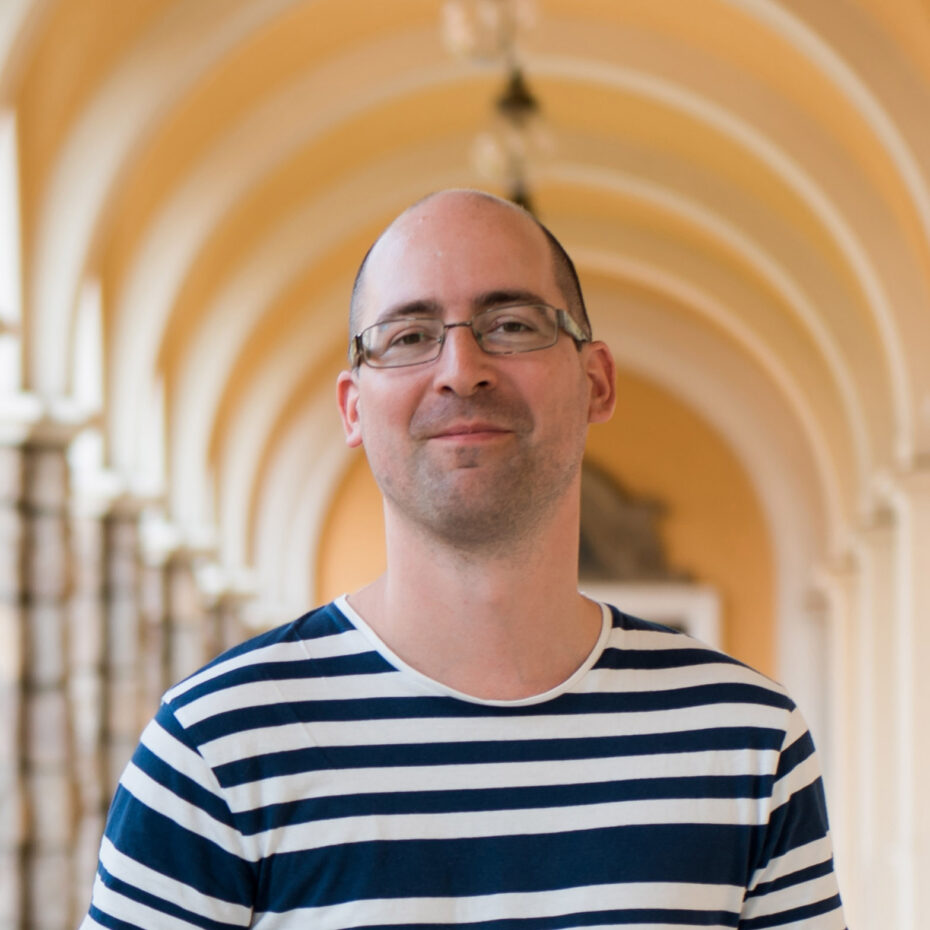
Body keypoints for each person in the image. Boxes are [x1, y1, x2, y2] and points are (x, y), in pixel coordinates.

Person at [81, 190, 846, 929]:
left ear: (596, 382)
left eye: (511, 324)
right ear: (353, 407)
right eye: (409, 336)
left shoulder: (747, 742)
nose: (460, 369)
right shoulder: (213, 749)